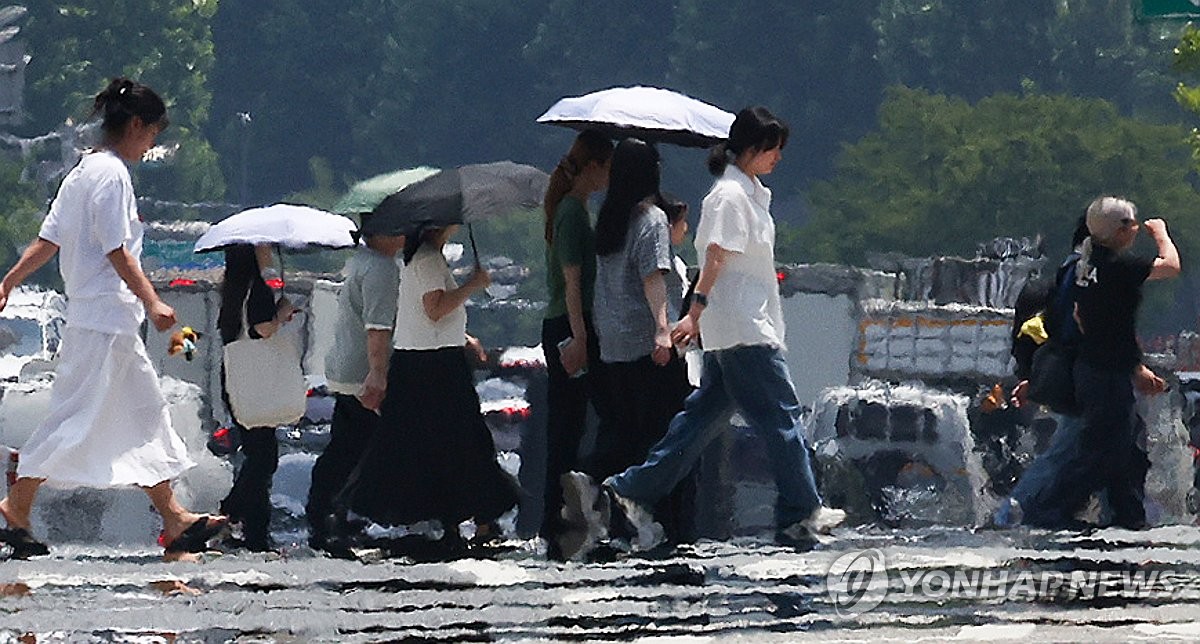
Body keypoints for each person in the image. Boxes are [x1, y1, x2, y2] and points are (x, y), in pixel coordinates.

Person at [562, 107, 844, 557]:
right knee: (782, 416)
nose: (777, 158)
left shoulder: (748, 194)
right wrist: (695, 312)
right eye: (772, 149)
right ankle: (802, 509)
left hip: (739, 323)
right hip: (742, 325)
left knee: (699, 421)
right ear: (751, 149)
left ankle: (631, 488)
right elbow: (714, 258)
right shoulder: (729, 196)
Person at [0, 78, 224, 560]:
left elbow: (49, 240)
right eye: (153, 133)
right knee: (75, 418)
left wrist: (10, 280)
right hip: (105, 320)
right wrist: (153, 302)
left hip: (100, 319)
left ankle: (173, 517)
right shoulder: (113, 176)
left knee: (145, 415)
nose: (151, 144)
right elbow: (116, 250)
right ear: (137, 125)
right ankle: (16, 505)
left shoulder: (82, 173)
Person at [343, 225, 519, 551]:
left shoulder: (427, 259)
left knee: (444, 444)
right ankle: (475, 517)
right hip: (433, 366)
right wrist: (473, 285)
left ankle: (466, 518)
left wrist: (463, 336)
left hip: (433, 360)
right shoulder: (426, 260)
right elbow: (434, 308)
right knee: (462, 441)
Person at [1009, 197, 1178, 530]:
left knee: (1121, 450)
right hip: (1105, 374)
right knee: (1098, 451)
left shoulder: (1080, 267)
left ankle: (1126, 516)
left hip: (1090, 370)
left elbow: (1074, 322)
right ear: (1119, 231)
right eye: (1131, 224)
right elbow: (1171, 266)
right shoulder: (1116, 267)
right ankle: (1044, 510)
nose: (1135, 230)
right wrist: (1160, 232)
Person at [591, 139, 694, 543]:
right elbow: (654, 278)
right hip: (646, 346)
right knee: (666, 439)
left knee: (623, 436)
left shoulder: (609, 218)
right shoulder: (651, 219)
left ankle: (610, 516)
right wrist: (663, 329)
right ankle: (668, 524)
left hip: (611, 345)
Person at [305, 225, 404, 554]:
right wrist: (378, 374)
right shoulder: (382, 268)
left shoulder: (361, 261)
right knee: (362, 450)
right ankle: (334, 516)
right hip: (362, 372)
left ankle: (326, 515)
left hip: (345, 369)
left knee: (346, 447)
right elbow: (378, 328)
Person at [539, 130, 614, 555]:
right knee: (567, 427)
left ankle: (563, 515)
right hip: (568, 324)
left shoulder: (576, 208)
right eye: (607, 168)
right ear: (593, 166)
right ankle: (556, 519)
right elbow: (571, 283)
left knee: (572, 423)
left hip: (571, 322)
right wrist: (580, 337)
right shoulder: (570, 211)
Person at [216, 244, 298, 552]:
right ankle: (229, 512)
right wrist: (282, 314)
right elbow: (263, 328)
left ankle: (255, 531)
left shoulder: (232, 290)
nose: (269, 250)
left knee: (257, 453)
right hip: (257, 382)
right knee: (264, 457)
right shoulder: (259, 287)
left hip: (236, 378)